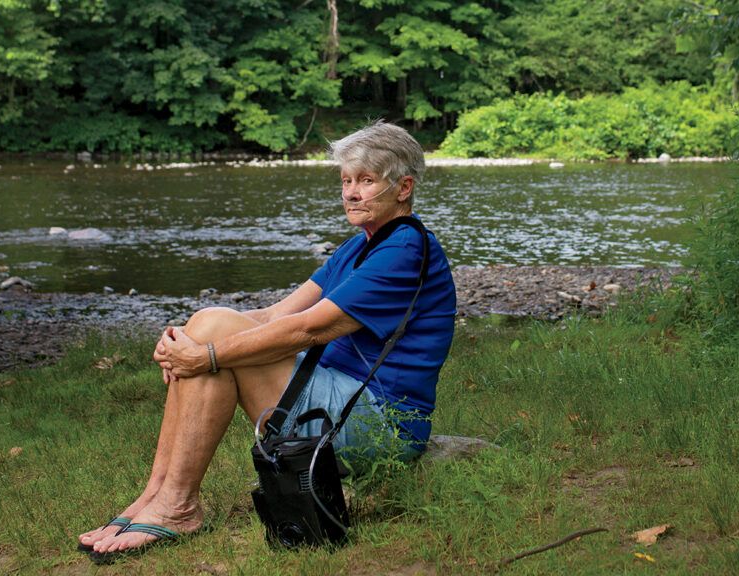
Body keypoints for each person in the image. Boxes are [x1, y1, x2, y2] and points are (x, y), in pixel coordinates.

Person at [78, 120, 457, 560]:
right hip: (341, 397)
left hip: (381, 425)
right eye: (346, 180)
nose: (351, 193)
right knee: (209, 318)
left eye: (367, 181)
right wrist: (186, 340)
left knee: (214, 341)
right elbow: (276, 314)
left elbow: (308, 329)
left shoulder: (403, 251)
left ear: (404, 187)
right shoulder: (361, 246)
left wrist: (207, 354)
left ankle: (177, 506)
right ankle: (156, 495)